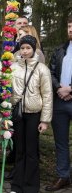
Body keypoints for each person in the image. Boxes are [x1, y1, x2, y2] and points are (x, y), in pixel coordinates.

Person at [10, 35, 53, 193]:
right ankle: (17, 185)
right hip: (18, 112)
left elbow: (47, 95)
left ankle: (31, 186)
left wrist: (45, 120)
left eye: (28, 48)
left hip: (34, 114)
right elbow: (8, 89)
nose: (25, 51)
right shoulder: (14, 67)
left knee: (31, 151)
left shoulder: (42, 69)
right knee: (19, 150)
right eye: (22, 48)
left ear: (34, 49)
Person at [45, 16, 72, 191]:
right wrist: (59, 89)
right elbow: (51, 72)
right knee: (60, 142)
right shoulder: (61, 49)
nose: (70, 29)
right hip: (60, 102)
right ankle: (63, 176)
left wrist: (70, 89)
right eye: (69, 26)